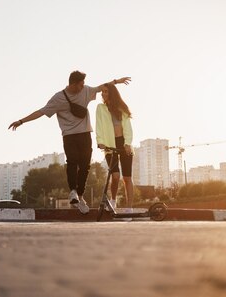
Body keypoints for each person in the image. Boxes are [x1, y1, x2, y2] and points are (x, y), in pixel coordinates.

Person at [8, 71, 131, 214]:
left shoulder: (85, 90)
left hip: (85, 134)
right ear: (73, 84)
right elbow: (41, 112)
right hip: (69, 136)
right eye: (81, 84)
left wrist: (117, 81)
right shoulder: (58, 98)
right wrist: (21, 121)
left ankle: (79, 196)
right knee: (73, 161)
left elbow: (100, 87)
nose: (84, 86)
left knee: (85, 166)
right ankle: (73, 191)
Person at [96, 83, 134, 215]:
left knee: (127, 178)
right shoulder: (100, 108)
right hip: (109, 144)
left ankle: (129, 208)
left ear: (111, 93)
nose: (103, 94)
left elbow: (128, 128)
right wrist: (100, 141)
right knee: (116, 176)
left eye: (105, 91)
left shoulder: (122, 109)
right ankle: (113, 200)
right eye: (102, 92)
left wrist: (128, 143)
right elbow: (99, 125)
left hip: (123, 143)